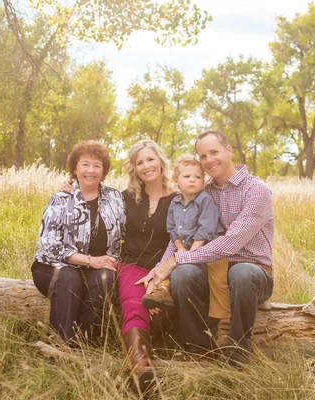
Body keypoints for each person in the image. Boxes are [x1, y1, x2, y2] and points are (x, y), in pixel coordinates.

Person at [143, 130, 274, 366]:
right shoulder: (203, 192)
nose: (209, 160)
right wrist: (159, 270)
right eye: (203, 156)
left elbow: (232, 241)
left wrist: (178, 260)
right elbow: (182, 234)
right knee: (184, 273)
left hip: (253, 273)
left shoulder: (256, 190)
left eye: (214, 152)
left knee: (240, 272)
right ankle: (198, 349)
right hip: (212, 273)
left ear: (228, 150)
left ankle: (237, 355)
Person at [32, 140, 124, 347]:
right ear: (75, 168)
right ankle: (59, 346)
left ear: (103, 170)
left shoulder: (115, 198)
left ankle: (80, 345)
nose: (90, 170)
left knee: (106, 277)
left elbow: (127, 230)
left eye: (97, 165)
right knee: (69, 276)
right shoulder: (61, 199)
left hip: (96, 268)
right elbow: (49, 246)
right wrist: (90, 261)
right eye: (85, 164)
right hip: (53, 267)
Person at [116, 140, 176, 389]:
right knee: (135, 304)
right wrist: (71, 187)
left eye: (150, 159)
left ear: (161, 162)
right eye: (140, 162)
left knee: (159, 307)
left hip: (165, 269)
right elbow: (93, 199)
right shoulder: (126, 198)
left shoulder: (179, 198)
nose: (146, 166)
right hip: (131, 263)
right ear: (134, 169)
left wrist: (160, 277)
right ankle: (142, 370)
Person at [142, 155, 230, 321]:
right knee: (170, 270)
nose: (192, 180)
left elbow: (205, 229)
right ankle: (162, 292)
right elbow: (172, 229)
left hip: (211, 251)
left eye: (197, 177)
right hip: (187, 249)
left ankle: (224, 323)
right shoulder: (174, 203)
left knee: (219, 284)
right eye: (187, 176)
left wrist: (189, 254)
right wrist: (181, 249)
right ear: (176, 180)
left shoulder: (205, 201)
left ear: (203, 182)